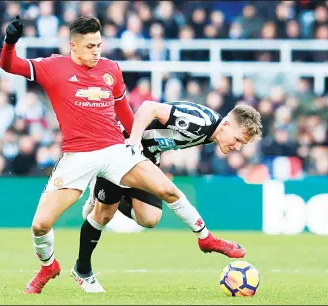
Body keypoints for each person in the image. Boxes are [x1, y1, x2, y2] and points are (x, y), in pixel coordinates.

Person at [0, 15, 253, 295]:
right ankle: (48, 267)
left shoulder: (111, 69)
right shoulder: (53, 67)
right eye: (90, 47)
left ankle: (207, 239)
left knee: (168, 191)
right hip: (78, 155)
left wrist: (136, 149)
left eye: (99, 45)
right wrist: (10, 42)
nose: (96, 52)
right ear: (73, 46)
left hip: (115, 150)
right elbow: (9, 65)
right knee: (40, 225)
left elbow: (125, 114)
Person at [74, 100, 263, 292]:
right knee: (156, 196)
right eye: (238, 139)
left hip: (147, 156)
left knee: (149, 218)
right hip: (121, 146)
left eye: (242, 144)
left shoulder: (213, 132)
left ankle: (100, 193)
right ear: (226, 125)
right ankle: (82, 270)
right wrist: (134, 139)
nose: (237, 147)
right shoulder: (198, 122)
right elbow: (149, 107)